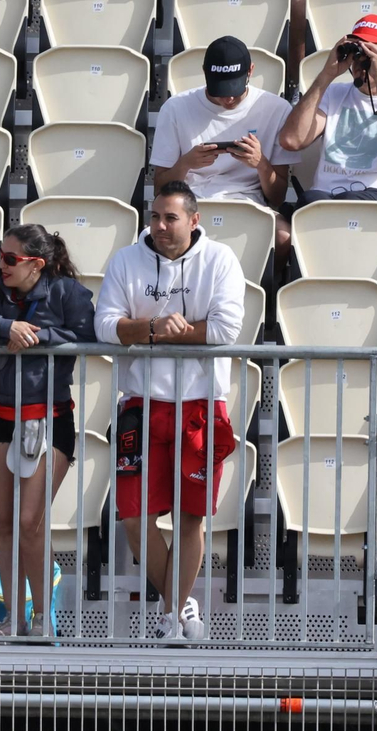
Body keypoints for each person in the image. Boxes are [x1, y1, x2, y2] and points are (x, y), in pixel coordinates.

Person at [93, 181, 247, 641]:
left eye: (170, 218)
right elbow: (104, 327)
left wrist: (149, 335)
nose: (160, 226)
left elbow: (225, 330)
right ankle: (179, 604)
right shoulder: (126, 259)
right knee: (134, 520)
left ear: (194, 220)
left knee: (191, 517)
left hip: (201, 406)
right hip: (140, 406)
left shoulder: (220, 260)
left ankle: (168, 617)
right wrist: (154, 328)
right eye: (155, 216)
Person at [0, 225, 96, 637]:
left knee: (30, 520)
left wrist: (36, 336)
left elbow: (89, 337)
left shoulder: (68, 292)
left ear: (37, 264)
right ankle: (12, 619)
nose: (0, 264)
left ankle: (41, 620)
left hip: (48, 415)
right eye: (1, 255)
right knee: (2, 520)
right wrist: (5, 328)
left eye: (10, 259)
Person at [150, 36, 300, 251]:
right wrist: (186, 163)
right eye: (219, 90)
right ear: (205, 73)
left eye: (234, 89)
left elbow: (277, 196)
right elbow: (159, 189)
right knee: (157, 236)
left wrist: (260, 164)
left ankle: (261, 285)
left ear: (250, 71)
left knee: (283, 237)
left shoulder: (276, 108)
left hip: (249, 204)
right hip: (189, 204)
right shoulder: (175, 108)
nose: (228, 99)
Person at [278, 14, 377, 217]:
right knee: (309, 200)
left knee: (342, 202)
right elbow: (291, 140)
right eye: (357, 51)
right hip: (327, 200)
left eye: (371, 50)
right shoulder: (333, 94)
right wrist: (327, 74)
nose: (361, 60)